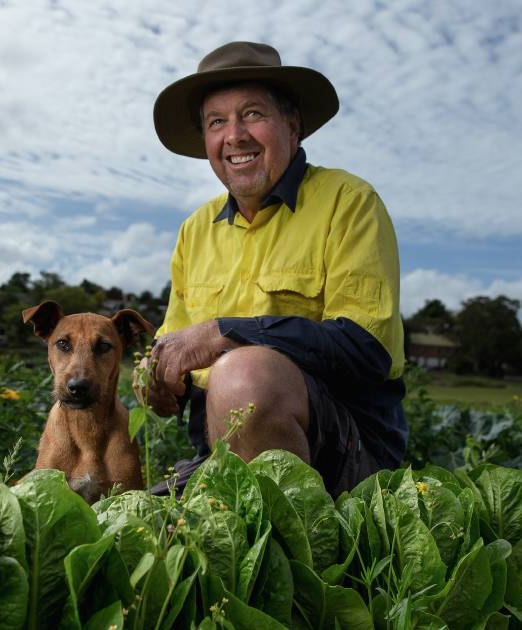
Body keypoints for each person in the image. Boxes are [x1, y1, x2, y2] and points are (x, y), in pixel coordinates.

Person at [141, 41, 406, 497]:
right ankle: (229, 508)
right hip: (217, 454)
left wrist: (226, 333)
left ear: (292, 126)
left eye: (253, 114)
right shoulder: (195, 230)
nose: (235, 135)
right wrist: (159, 382)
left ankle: (300, 543)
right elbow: (176, 348)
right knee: (124, 531)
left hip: (345, 452)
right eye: (216, 121)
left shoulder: (349, 201)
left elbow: (366, 350)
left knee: (243, 373)